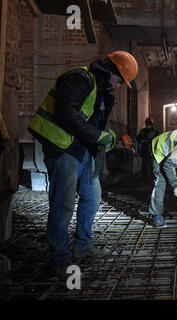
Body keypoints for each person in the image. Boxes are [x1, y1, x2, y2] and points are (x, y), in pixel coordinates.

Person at [28, 51, 138, 276]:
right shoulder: (79, 78)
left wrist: (107, 140)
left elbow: (99, 123)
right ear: (111, 71)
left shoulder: (105, 93)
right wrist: (97, 136)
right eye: (119, 80)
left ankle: (83, 245)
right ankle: (59, 257)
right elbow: (65, 112)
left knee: (93, 197)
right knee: (63, 203)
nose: (119, 85)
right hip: (64, 149)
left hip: (85, 153)